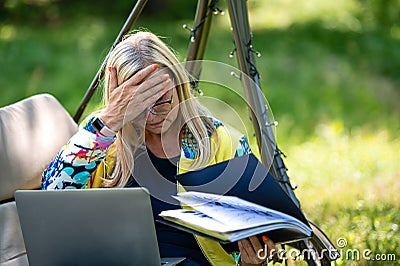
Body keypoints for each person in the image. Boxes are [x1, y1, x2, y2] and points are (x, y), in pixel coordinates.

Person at [42, 31, 276, 265]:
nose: (152, 115)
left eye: (162, 100)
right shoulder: (101, 137)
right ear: (119, 99)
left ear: (179, 84)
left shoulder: (221, 142)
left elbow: (255, 235)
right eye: (139, 105)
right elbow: (49, 203)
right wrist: (109, 122)